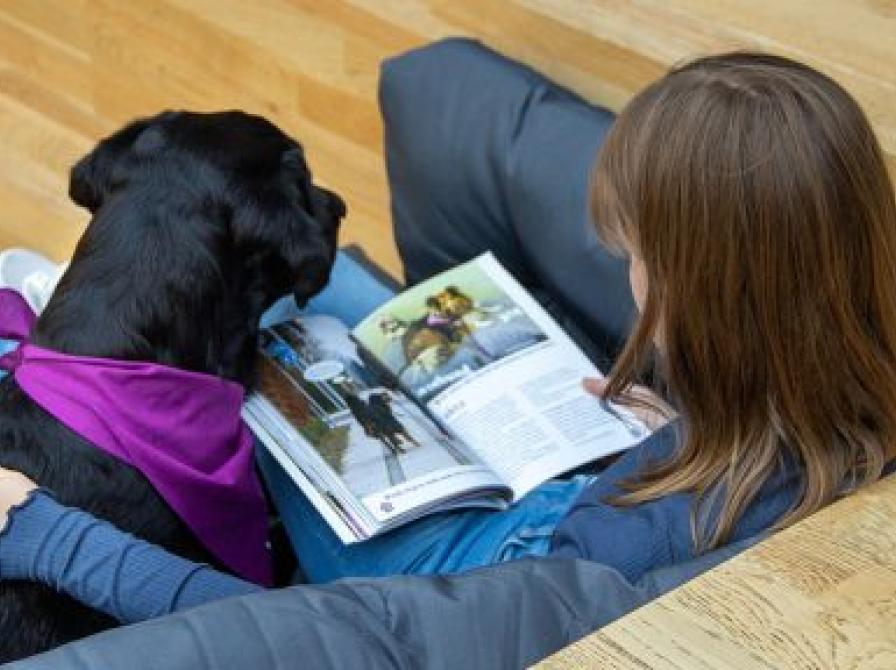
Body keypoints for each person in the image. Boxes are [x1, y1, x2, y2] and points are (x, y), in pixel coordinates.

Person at [1, 50, 895, 617]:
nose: (625, 274)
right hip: (612, 482)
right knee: (334, 277)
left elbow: (293, 641)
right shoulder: (841, 398)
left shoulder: (620, 566)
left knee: (271, 331)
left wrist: (49, 535)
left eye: (630, 255)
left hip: (488, 572)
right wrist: (687, 428)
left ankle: (47, 315)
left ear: (702, 286)